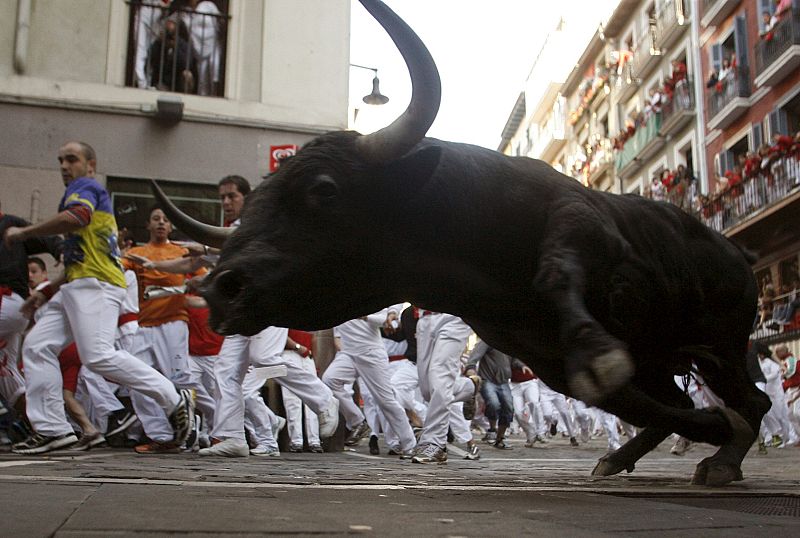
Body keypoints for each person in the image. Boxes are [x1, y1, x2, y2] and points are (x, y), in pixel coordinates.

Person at [2, 140, 194, 454]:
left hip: (97, 285)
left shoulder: (85, 187)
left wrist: (24, 232)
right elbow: (81, 254)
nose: (64, 166)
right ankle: (53, 429)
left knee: (98, 356)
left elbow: (78, 216)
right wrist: (47, 291)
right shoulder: (84, 192)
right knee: (37, 347)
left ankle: (173, 397)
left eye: (72, 159)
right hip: (79, 284)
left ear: (90, 165)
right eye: (61, 160)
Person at [122, 206, 215, 454]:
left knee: (181, 380)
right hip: (143, 325)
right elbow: (117, 273)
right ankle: (162, 437)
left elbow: (205, 279)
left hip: (174, 322)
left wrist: (192, 284)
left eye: (165, 220)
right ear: (149, 226)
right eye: (156, 219)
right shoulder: (136, 253)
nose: (161, 223)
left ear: (171, 227)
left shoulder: (181, 252)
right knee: (137, 379)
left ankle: (189, 435)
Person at [410, 311, 480, 463]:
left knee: (440, 380)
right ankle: (469, 386)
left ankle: (435, 443)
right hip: (425, 318)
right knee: (428, 391)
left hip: (453, 315)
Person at [465, 341, 532, 449]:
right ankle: (492, 430)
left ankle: (500, 438)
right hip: (488, 380)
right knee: (493, 403)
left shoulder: (507, 342)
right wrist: (471, 367)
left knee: (508, 408)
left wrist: (521, 366)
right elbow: (476, 354)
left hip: (504, 381)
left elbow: (514, 360)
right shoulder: (488, 340)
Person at [147, 17, 198, 94]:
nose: (170, 38)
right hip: (163, 82)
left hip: (178, 82)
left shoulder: (183, 45)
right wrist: (161, 44)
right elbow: (152, 60)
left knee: (187, 75)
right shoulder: (159, 44)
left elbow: (187, 64)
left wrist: (175, 48)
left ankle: (186, 96)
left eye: (172, 34)